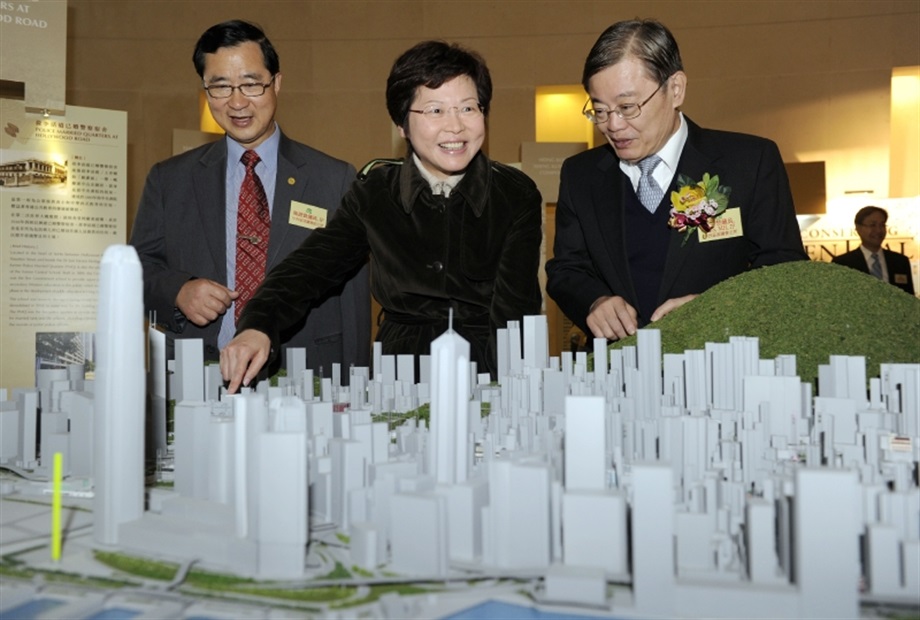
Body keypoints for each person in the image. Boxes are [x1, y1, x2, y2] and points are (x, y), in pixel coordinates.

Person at [220, 40, 543, 393]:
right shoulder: (375, 192)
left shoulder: (514, 194)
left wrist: (509, 394)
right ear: (402, 124)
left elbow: (516, 313)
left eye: (468, 108)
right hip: (400, 375)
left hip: (485, 372)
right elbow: (309, 269)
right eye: (435, 111)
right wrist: (259, 323)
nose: (456, 127)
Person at [130, 20, 370, 375]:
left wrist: (355, 386)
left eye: (251, 84)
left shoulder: (333, 178)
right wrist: (178, 291)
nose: (237, 102)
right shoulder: (170, 179)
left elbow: (353, 298)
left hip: (304, 374)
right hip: (198, 374)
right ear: (205, 90)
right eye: (221, 87)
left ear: (277, 83)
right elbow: (137, 269)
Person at [545, 19, 807, 341]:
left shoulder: (749, 162)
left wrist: (717, 309)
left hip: (721, 363)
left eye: (628, 107)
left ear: (676, 89)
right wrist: (594, 301)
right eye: (599, 110)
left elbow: (786, 270)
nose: (612, 125)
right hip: (618, 370)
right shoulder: (580, 175)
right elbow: (566, 270)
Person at [832, 206, 915, 295]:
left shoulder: (900, 261)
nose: (878, 230)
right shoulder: (843, 264)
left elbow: (909, 299)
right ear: (858, 228)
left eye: (882, 225)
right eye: (872, 225)